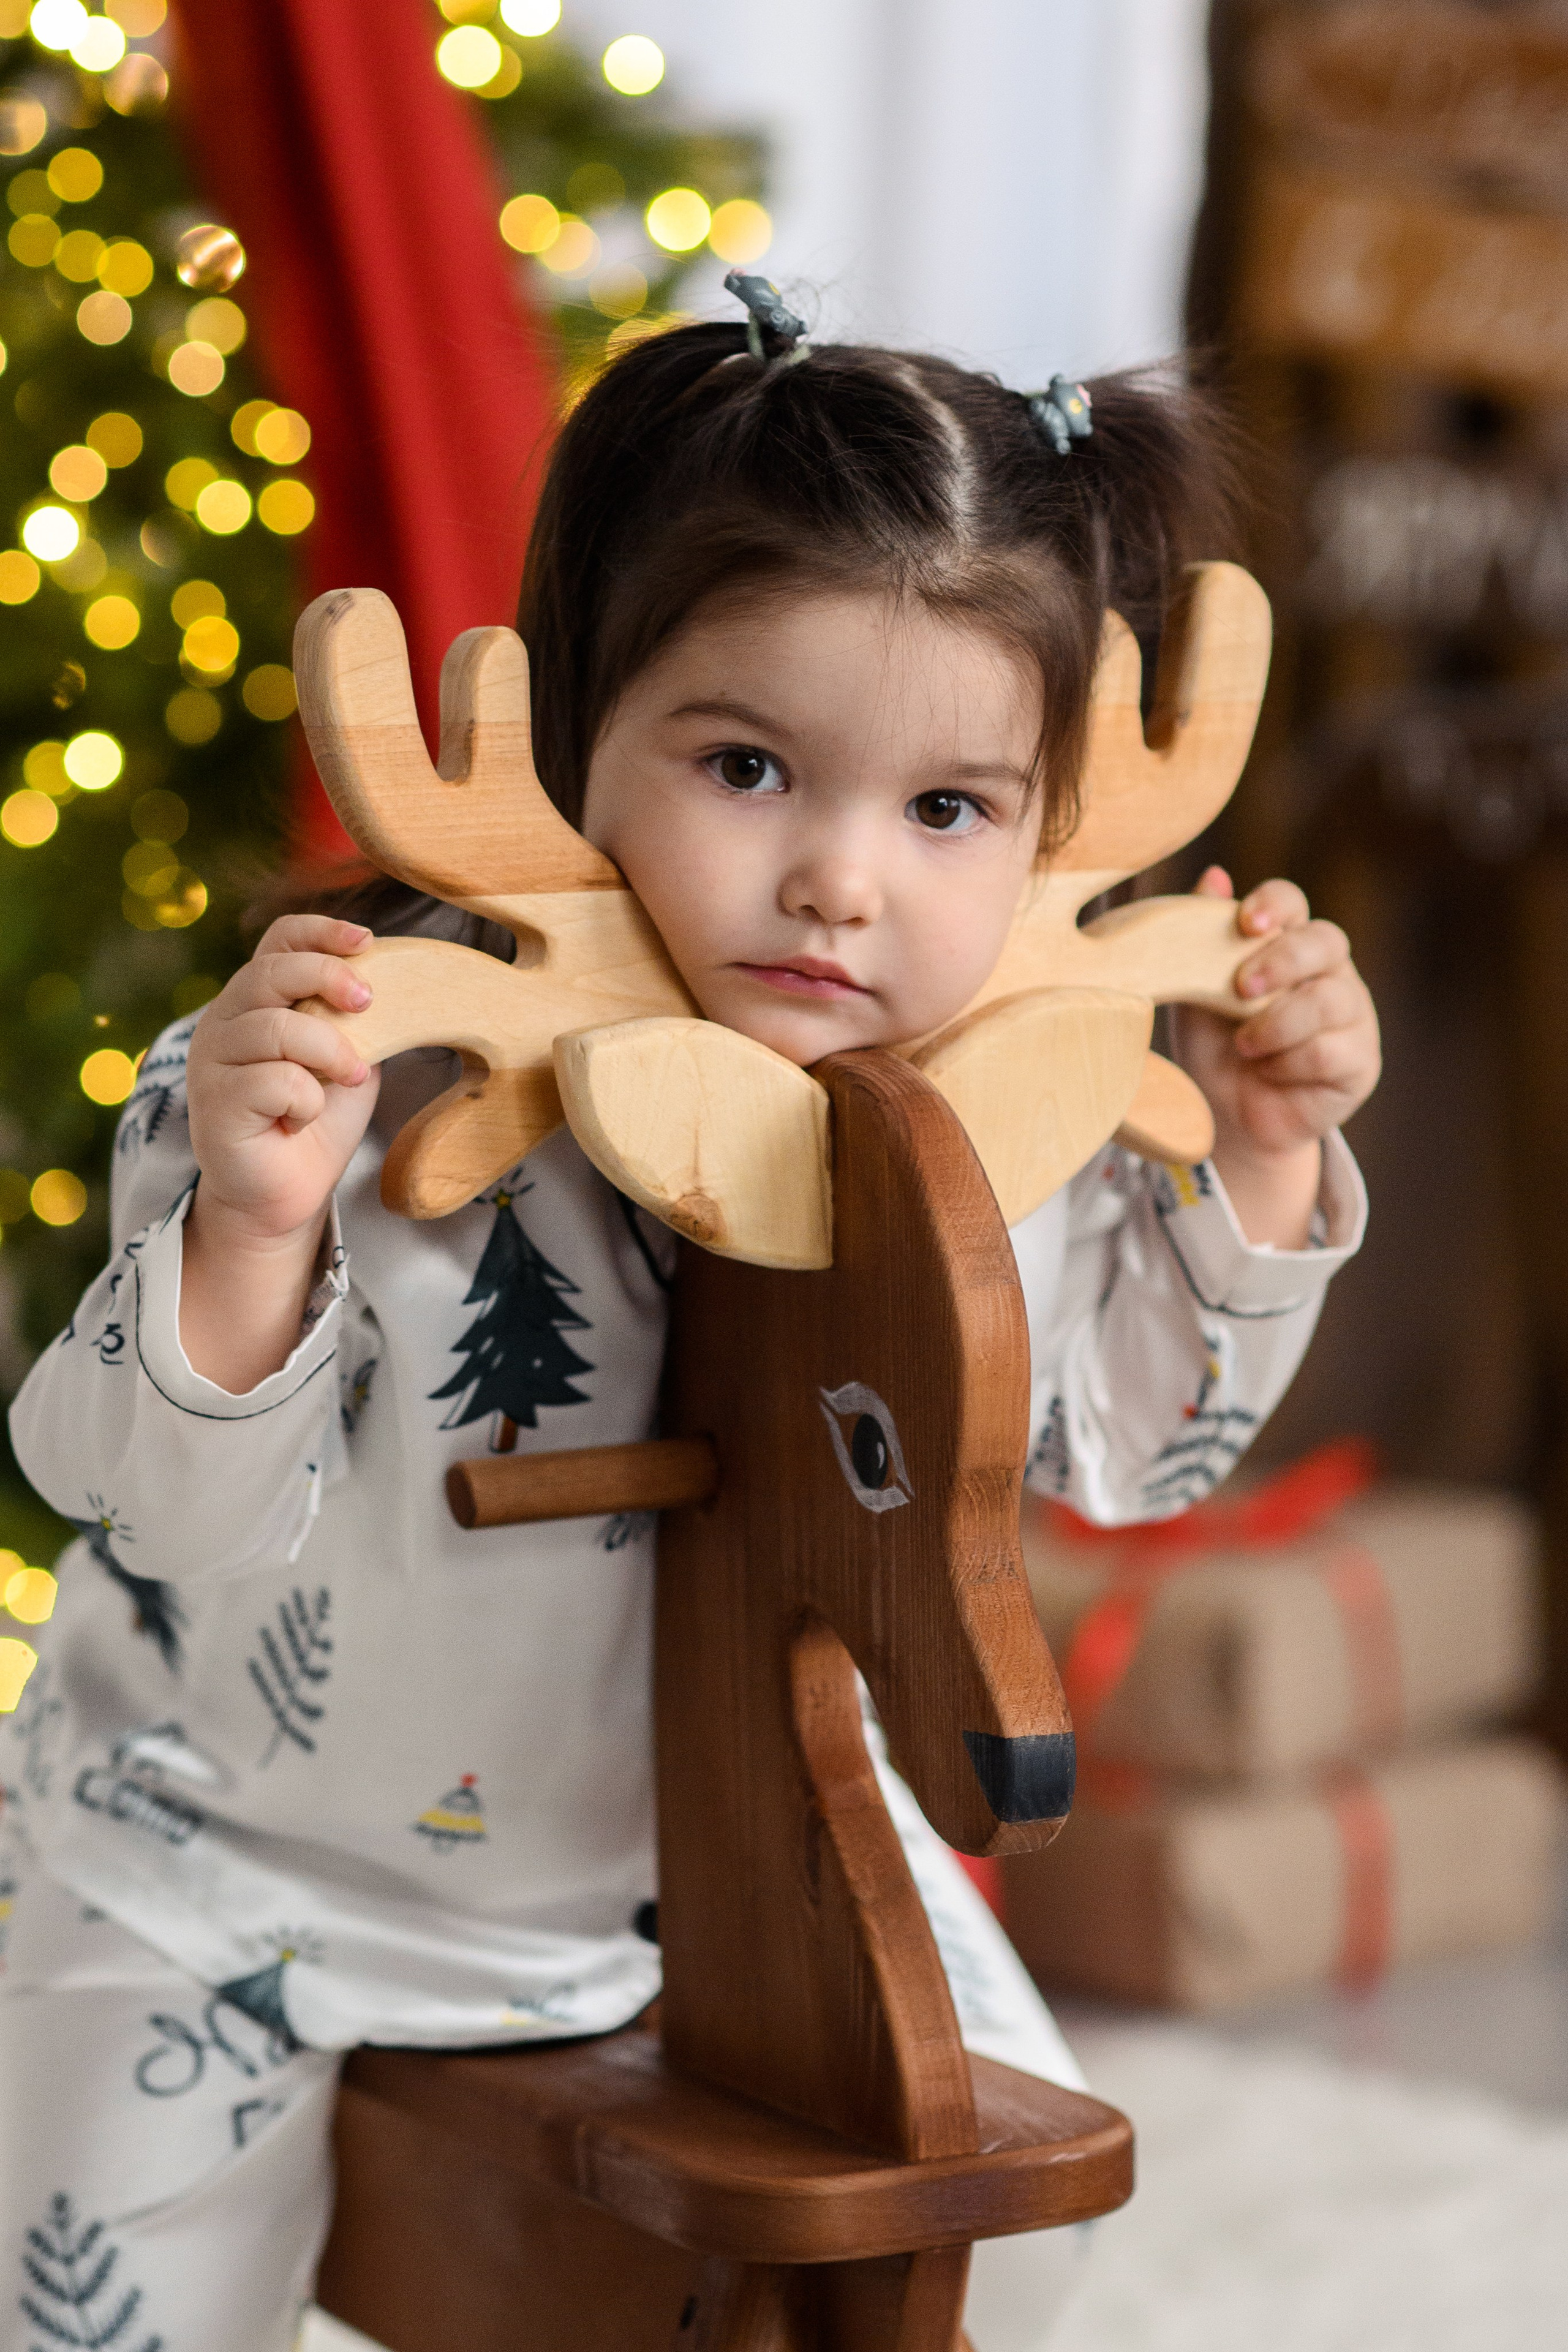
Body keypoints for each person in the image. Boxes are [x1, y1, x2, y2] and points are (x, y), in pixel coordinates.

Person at [1, 292, 1379, 2352]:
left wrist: (1259, 1164)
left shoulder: (984, 1115)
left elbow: (1114, 1451)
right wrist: (250, 1236)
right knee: (96, 2300)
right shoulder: (353, 1072)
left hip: (717, 1890)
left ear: (1046, 820)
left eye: (945, 812)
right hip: (232, 1880)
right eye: (748, 765)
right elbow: (147, 1508)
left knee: (1015, 2205)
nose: (838, 881)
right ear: (576, 729)